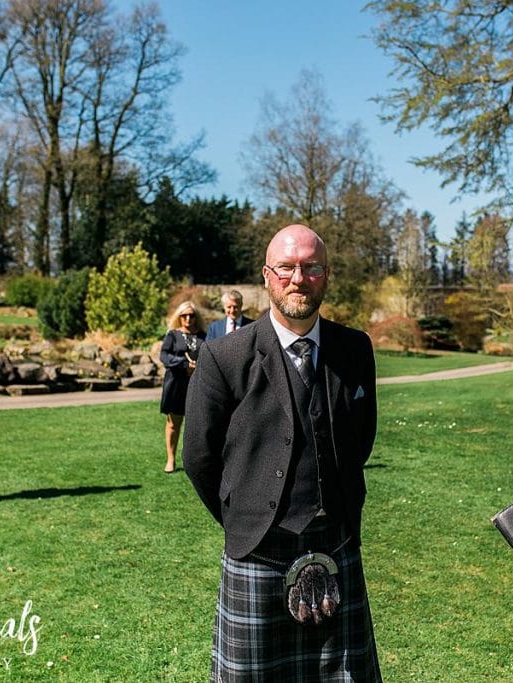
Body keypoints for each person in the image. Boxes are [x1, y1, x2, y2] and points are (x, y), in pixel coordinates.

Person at [184, 224, 382, 681]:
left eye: (311, 268)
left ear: (326, 275)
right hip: (258, 552)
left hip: (336, 542)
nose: (299, 278)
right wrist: (245, 516)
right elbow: (199, 456)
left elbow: (361, 440)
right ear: (267, 275)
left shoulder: (354, 350)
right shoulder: (225, 357)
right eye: (287, 268)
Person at [159, 301, 205, 474]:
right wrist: (183, 364)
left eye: (191, 315)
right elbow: (164, 356)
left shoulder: (203, 336)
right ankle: (170, 459)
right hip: (176, 384)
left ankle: (196, 460)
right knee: (173, 423)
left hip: (198, 383)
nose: (188, 319)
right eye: (184, 315)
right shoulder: (173, 335)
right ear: (179, 317)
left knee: (198, 424)